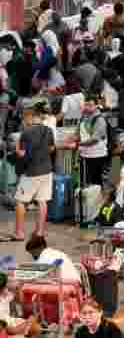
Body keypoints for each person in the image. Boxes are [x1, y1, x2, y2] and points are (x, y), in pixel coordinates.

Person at [13, 102, 54, 239]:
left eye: (24, 118)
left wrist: (17, 149)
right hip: (47, 171)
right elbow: (52, 148)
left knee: (20, 201)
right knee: (42, 201)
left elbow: (22, 154)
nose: (24, 121)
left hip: (31, 172)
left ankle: (19, 233)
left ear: (30, 117)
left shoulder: (26, 132)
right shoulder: (48, 130)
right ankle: (40, 232)